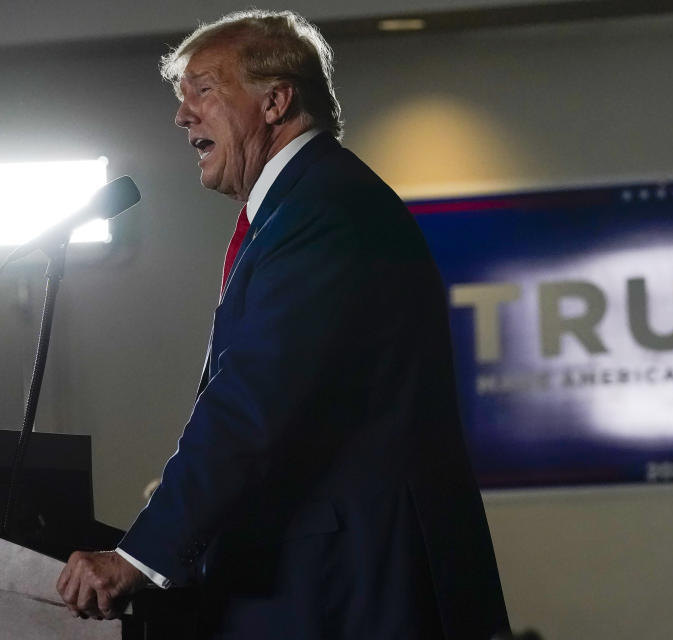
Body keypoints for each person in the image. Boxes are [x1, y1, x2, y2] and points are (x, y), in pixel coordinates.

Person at [55, 10, 510, 639]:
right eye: (181, 97)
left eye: (204, 90)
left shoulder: (322, 211)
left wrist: (138, 555)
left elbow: (252, 404)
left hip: (355, 590)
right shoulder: (303, 206)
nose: (183, 115)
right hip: (327, 582)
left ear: (276, 101)